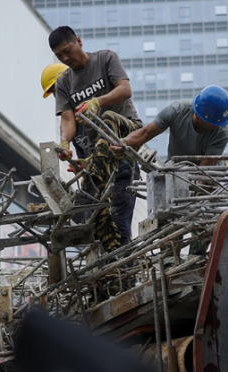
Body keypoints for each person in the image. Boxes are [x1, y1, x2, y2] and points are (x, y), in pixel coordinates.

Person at [50, 25, 142, 250]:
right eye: (59, 55)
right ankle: (118, 277)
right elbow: (68, 120)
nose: (65, 58)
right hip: (102, 158)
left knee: (107, 118)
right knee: (108, 235)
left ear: (79, 42)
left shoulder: (105, 58)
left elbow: (125, 89)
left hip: (126, 135)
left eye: (67, 50)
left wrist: (97, 102)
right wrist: (64, 142)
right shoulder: (64, 82)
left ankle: (91, 187)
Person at [113, 85, 228, 166]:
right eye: (214, 124)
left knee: (205, 185)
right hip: (176, 166)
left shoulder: (222, 132)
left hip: (206, 172)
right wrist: (125, 142)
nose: (218, 126)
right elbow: (146, 133)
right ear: (202, 117)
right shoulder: (177, 111)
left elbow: (206, 167)